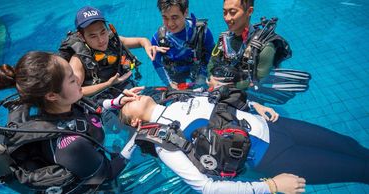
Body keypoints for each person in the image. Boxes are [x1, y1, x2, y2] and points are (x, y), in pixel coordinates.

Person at [118, 92, 369, 193]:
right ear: (135, 123)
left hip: (277, 126)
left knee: (350, 145)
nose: (132, 96)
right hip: (275, 156)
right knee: (359, 170)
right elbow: (207, 187)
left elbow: (221, 103)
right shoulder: (164, 142)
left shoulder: (178, 99)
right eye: (127, 103)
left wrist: (253, 105)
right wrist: (270, 186)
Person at [0, 51, 141, 193]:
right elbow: (108, 174)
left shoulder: (62, 103)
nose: (79, 81)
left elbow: (90, 108)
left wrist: (116, 102)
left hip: (89, 157)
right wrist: (137, 137)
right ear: (51, 95)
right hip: (96, 185)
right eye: (72, 80)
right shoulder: (70, 144)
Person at [208, 0, 310, 105]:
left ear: (249, 11)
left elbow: (259, 80)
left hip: (249, 88)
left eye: (233, 12)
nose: (227, 18)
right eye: (224, 12)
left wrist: (227, 87)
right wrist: (211, 78)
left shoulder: (265, 47)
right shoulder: (224, 38)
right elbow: (212, 62)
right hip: (229, 79)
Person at [59, 6, 167, 98]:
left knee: (163, 93)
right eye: (93, 36)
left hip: (124, 88)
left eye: (103, 32)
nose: (101, 40)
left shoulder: (113, 41)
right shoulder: (78, 60)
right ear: (81, 36)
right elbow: (74, 91)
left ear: (107, 29)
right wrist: (108, 84)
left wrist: (148, 46)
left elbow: (141, 40)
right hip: (102, 100)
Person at [151, 0, 215, 90]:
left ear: (185, 12)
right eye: (165, 17)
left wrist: (203, 75)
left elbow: (212, 56)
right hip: (175, 76)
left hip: (198, 71)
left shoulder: (201, 33)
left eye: (174, 17)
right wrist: (169, 84)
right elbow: (157, 64)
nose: (170, 24)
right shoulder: (158, 39)